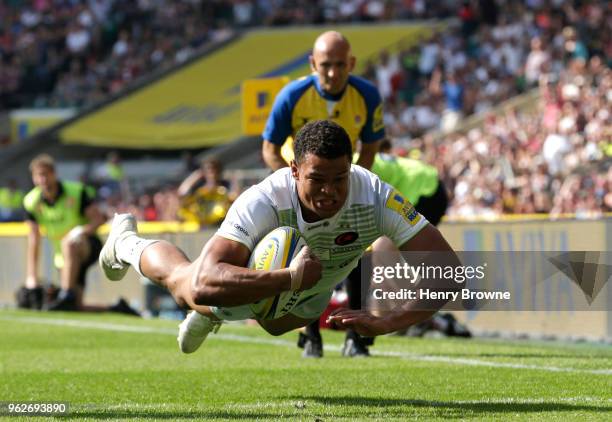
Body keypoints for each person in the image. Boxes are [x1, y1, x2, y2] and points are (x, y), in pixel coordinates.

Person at [99, 120, 460, 355]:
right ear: (294, 170)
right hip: (267, 277)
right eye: (317, 179)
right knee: (188, 288)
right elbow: (208, 280)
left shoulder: (376, 196)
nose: (330, 192)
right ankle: (127, 244)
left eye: (339, 179)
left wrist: (388, 322)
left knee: (274, 325)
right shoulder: (266, 199)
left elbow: (448, 273)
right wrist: (288, 278)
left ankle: (216, 313)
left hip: (308, 297)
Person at [261, 30, 385, 357]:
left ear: (352, 63)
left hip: (344, 186)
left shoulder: (367, 95)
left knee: (359, 250)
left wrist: (355, 185)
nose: (332, 73)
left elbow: (370, 146)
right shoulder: (291, 95)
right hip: (301, 188)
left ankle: (356, 337)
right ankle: (311, 334)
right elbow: (269, 147)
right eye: (325, 65)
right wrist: (293, 184)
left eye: (340, 65)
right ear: (312, 63)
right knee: (304, 254)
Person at [19, 154, 138, 315]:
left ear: (54, 174)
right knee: (74, 306)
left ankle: (66, 292)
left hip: (85, 245)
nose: (43, 180)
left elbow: (98, 219)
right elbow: (34, 239)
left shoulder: (76, 192)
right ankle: (117, 308)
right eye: (38, 176)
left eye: (45, 174)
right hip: (62, 257)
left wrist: (81, 231)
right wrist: (31, 277)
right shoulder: (31, 202)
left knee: (69, 243)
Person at [177, 158, 237, 227]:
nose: (212, 172)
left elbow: (234, 197)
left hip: (221, 224)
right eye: (208, 169)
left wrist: (234, 182)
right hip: (202, 224)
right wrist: (196, 175)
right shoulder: (200, 186)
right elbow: (182, 192)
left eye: (215, 169)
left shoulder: (226, 184)